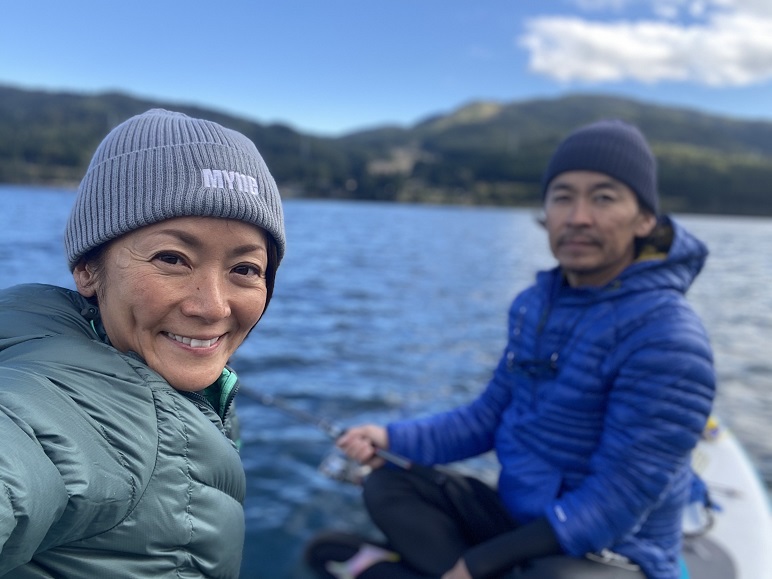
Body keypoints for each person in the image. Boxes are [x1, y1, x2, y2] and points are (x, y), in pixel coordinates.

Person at [305, 119, 715, 579]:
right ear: (546, 212)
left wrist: (477, 564)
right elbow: (487, 418)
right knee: (388, 484)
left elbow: (620, 498)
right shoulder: (534, 306)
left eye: (604, 198)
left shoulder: (669, 336)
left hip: (616, 547)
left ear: (645, 219)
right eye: (563, 197)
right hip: (521, 518)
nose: (579, 216)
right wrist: (390, 437)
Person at [0, 109, 285, 577]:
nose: (213, 307)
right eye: (172, 258)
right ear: (88, 270)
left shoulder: (185, 390)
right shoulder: (73, 413)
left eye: (245, 269)